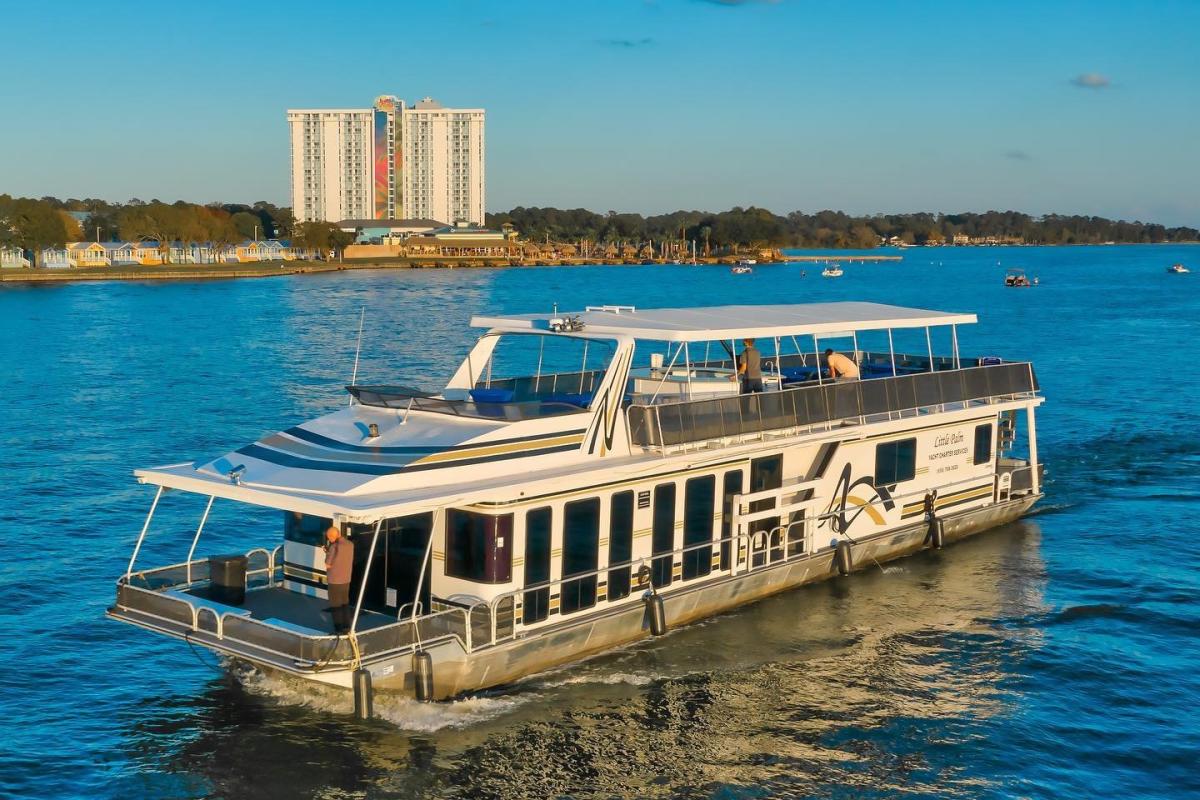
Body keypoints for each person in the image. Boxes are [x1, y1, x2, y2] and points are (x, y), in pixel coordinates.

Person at [324, 524, 355, 634]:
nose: (329, 539)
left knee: (335, 605)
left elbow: (328, 564)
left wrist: (327, 552)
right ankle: (347, 627)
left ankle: (338, 629)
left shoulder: (334, 547)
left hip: (335, 580)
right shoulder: (350, 544)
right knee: (345, 603)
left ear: (332, 537)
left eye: (329, 537)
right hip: (346, 579)